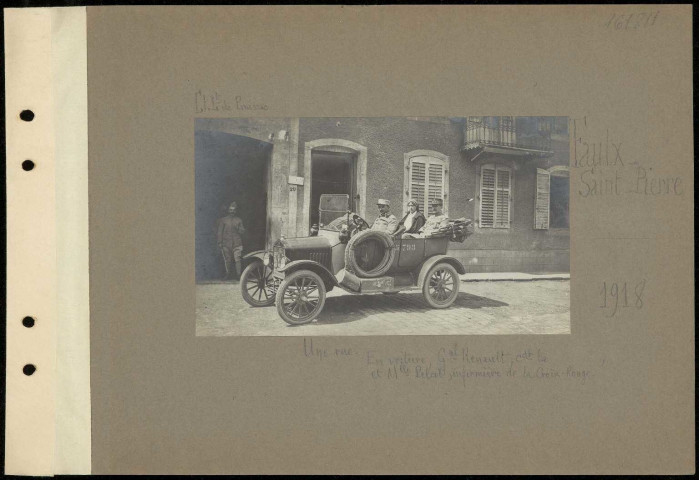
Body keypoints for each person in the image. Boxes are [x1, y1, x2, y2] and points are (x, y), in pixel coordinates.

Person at [217, 202, 245, 280]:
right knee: (227, 260)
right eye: (230, 210)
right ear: (228, 210)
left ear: (236, 211)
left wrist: (240, 228)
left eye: (234, 210)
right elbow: (220, 232)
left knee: (238, 259)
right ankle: (227, 274)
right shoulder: (223, 220)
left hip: (237, 243)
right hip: (226, 243)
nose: (232, 211)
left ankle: (239, 275)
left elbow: (242, 231)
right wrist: (220, 242)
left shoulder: (239, 220)